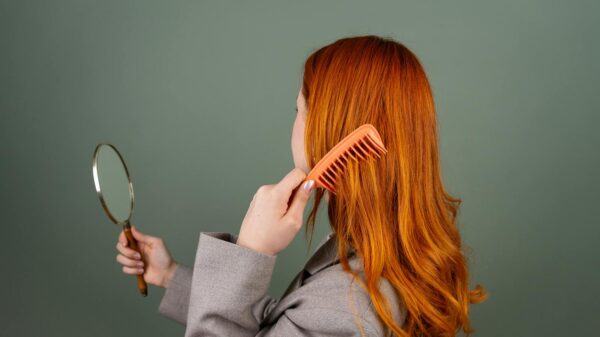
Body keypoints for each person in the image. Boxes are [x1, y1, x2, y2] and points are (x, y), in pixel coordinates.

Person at [116, 35, 488, 337]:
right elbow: (284, 325)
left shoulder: (346, 309)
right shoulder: (390, 255)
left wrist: (250, 251)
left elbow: (313, 318)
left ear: (325, 127)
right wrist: (170, 275)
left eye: (300, 110)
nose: (294, 122)